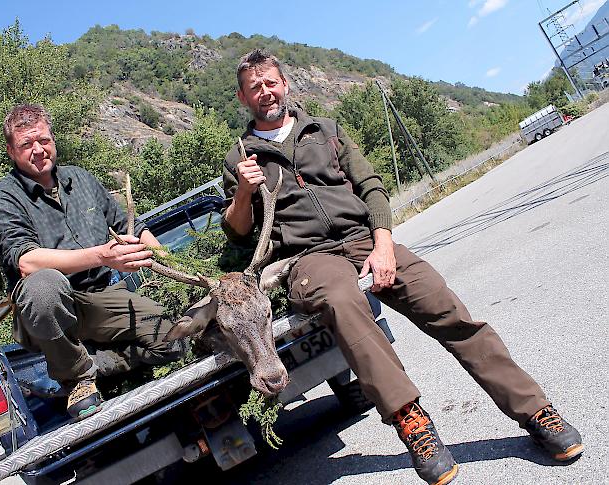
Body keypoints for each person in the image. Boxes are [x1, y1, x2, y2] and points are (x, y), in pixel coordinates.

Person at [221, 50, 583, 485]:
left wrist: (384, 244)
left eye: (271, 82)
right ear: (243, 98)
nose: (265, 92)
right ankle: (413, 422)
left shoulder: (326, 130)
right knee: (343, 302)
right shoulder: (240, 157)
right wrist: (243, 191)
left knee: (446, 306)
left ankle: (534, 409)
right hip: (307, 258)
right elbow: (240, 233)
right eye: (255, 87)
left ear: (285, 84)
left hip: (363, 237)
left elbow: (371, 187)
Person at [0, 104, 184, 420]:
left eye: (44, 140)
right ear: (11, 150)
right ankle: (77, 380)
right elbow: (27, 262)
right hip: (49, 309)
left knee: (176, 339)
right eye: (26, 144)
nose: (38, 150)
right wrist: (102, 256)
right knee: (44, 285)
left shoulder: (81, 179)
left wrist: (178, 269)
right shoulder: (1, 198)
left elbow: (132, 227)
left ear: (53, 139)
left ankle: (99, 364)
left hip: (101, 298)